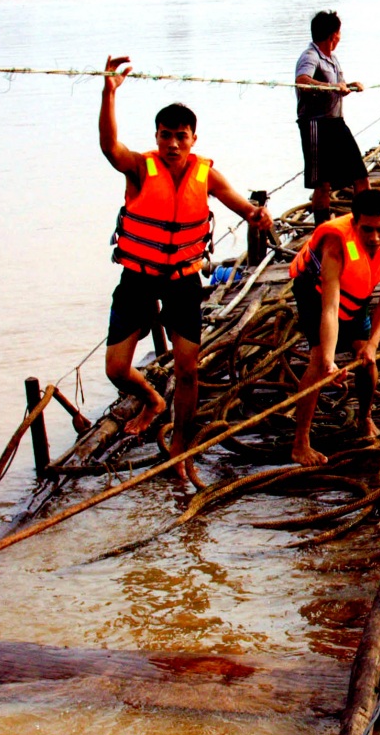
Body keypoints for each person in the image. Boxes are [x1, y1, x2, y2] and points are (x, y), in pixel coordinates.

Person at [99, 55, 273, 477]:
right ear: (156, 137)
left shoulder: (204, 174)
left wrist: (254, 214)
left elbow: (235, 199)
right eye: (165, 136)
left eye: (180, 137)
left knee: (188, 369)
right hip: (138, 277)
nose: (172, 144)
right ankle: (153, 400)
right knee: (117, 369)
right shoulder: (141, 167)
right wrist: (108, 93)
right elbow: (109, 147)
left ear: (193, 138)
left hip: (181, 280)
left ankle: (180, 446)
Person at [287, 188, 380, 466]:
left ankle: (365, 417)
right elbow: (330, 308)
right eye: (367, 230)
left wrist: (372, 346)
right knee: (318, 362)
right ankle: (300, 443)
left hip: (356, 296)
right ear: (354, 224)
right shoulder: (336, 246)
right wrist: (330, 363)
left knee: (367, 361)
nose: (375, 238)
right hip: (316, 295)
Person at [295, 10, 368, 226]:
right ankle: (322, 228)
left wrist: (352, 86)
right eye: (339, 33)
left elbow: (340, 85)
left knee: (360, 175)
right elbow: (302, 80)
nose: (339, 38)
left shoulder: (332, 59)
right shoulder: (310, 56)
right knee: (322, 183)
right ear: (332, 35)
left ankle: (364, 221)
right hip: (315, 125)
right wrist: (331, 87)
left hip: (336, 123)